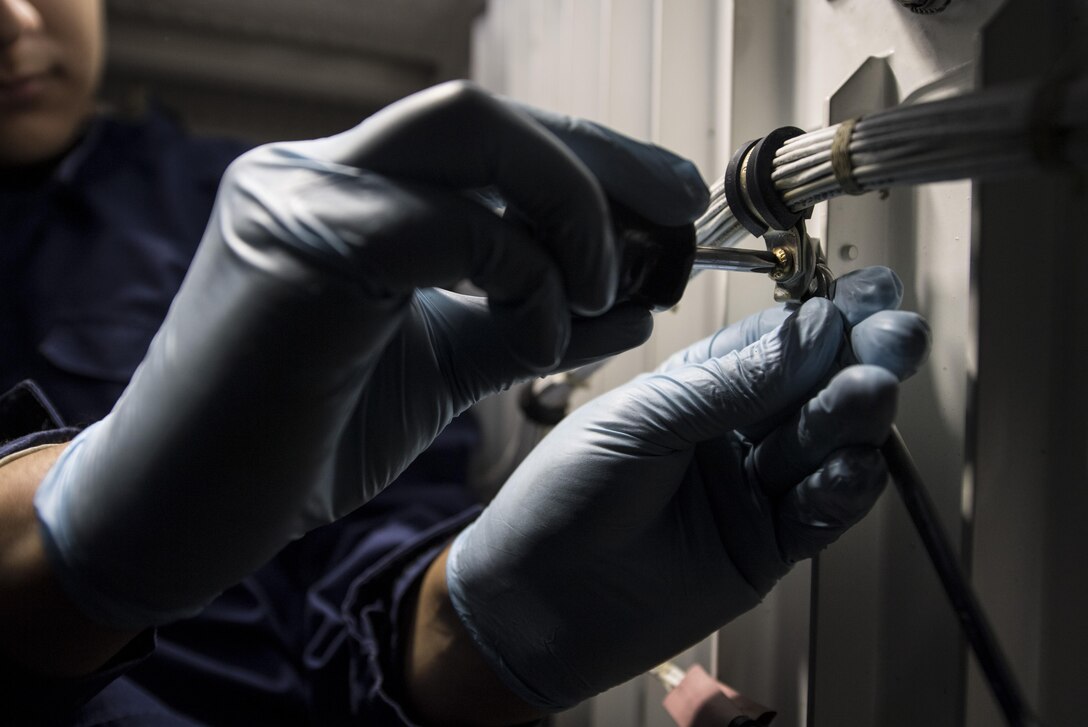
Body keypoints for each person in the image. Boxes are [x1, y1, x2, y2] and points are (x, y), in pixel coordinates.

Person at [0, 1, 931, 725]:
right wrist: (60, 552)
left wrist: (478, 627)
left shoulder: (226, 198)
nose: (17, 23)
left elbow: (353, 604)